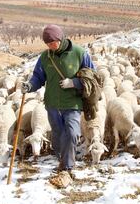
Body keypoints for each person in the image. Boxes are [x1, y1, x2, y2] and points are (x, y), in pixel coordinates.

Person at [21, 24, 95, 174]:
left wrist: (74, 82)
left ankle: (67, 167)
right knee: (57, 135)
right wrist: (29, 86)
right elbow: (38, 77)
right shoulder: (45, 57)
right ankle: (62, 159)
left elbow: (92, 77)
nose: (50, 46)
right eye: (47, 44)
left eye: (52, 43)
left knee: (73, 133)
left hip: (72, 102)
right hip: (52, 103)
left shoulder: (80, 53)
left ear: (60, 38)